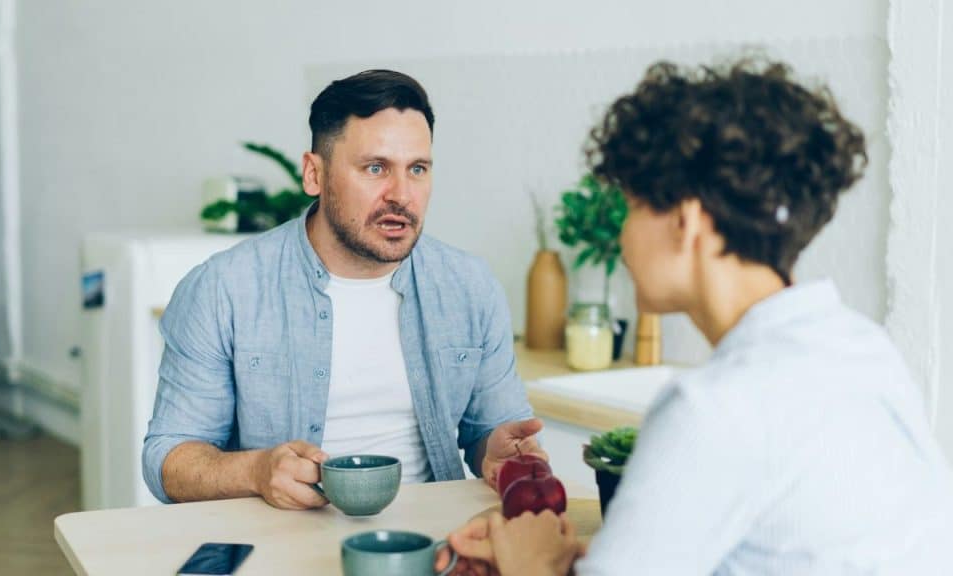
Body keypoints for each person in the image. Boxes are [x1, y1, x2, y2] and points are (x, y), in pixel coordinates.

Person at [443, 58, 953, 575]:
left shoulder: (713, 408)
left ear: (685, 222)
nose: (622, 235)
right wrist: (555, 562)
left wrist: (528, 563)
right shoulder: (863, 348)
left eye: (632, 206)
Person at [143, 69, 545, 509]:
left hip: (434, 533)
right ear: (314, 175)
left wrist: (499, 455)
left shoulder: (470, 287)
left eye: (417, 169)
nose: (402, 195)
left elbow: (493, 432)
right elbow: (168, 459)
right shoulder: (224, 289)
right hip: (282, 534)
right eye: (375, 168)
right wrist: (256, 471)